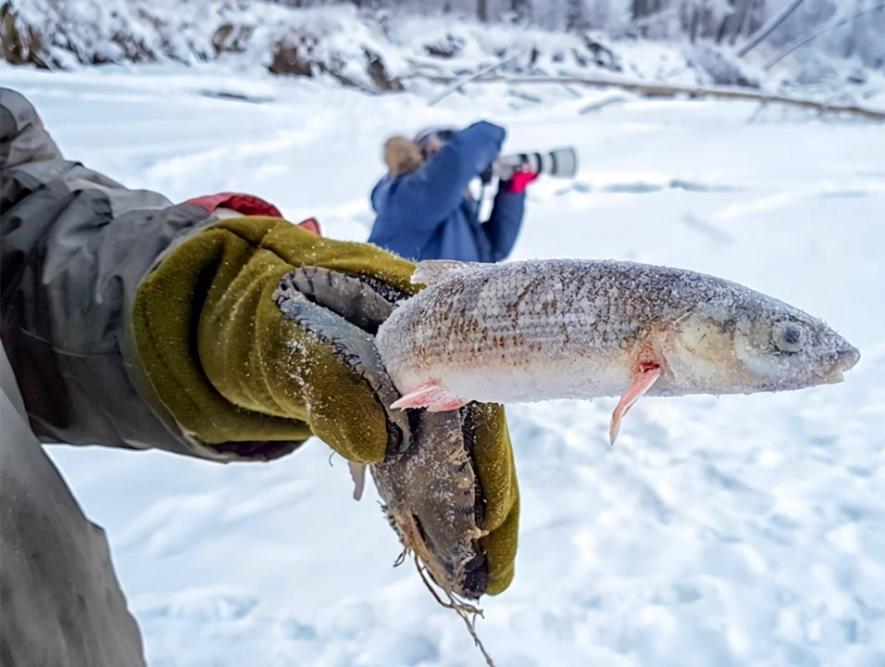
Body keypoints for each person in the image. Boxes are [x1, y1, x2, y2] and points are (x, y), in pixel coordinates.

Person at [0, 88, 520, 666]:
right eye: (438, 150)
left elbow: (25, 243)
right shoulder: (407, 194)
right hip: (403, 323)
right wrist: (483, 133)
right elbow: (445, 179)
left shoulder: (456, 206)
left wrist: (217, 310)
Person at [367, 122, 538, 262]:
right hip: (403, 301)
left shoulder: (454, 210)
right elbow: (457, 162)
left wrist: (511, 192)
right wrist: (493, 132)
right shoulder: (406, 196)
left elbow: (490, 254)